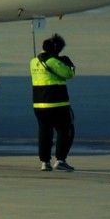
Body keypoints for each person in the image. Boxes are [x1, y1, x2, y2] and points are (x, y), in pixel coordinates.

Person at [31, 34, 77, 172]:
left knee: (44, 132)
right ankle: (60, 159)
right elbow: (69, 74)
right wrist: (69, 64)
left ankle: (45, 162)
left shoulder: (33, 61)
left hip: (39, 104)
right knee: (65, 131)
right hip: (57, 103)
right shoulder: (52, 61)